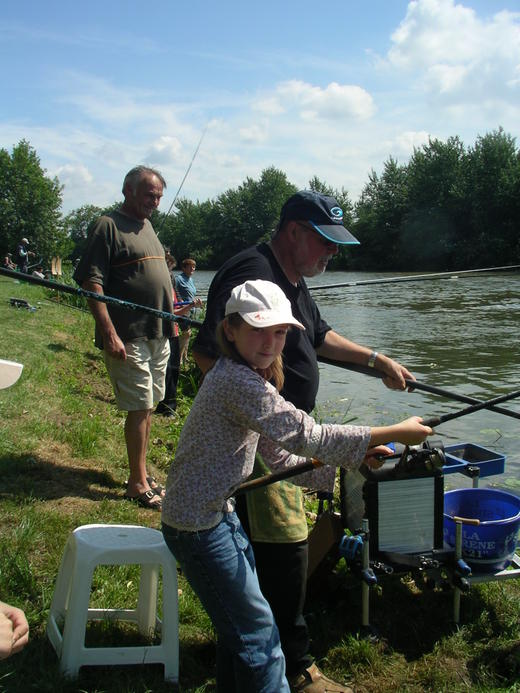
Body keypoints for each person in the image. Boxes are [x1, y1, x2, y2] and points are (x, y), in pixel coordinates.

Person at [192, 190, 416, 692]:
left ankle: (252, 642)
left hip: (288, 439)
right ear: (293, 230)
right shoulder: (254, 274)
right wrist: (254, 432)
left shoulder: (292, 280)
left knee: (282, 551)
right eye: (325, 242)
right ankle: (295, 667)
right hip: (267, 440)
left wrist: (375, 361)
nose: (332, 254)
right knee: (284, 555)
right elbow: (210, 354)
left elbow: (317, 337)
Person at [74, 165, 174, 511]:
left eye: (159, 196)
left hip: (158, 332)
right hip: (129, 334)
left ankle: (142, 474)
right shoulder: (107, 226)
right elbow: (91, 281)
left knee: (150, 404)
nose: (156, 202)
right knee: (140, 406)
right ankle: (136, 483)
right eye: (150, 195)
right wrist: (109, 332)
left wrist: (172, 318)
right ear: (127, 190)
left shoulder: (147, 226)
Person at [155, 251, 195, 417]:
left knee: (172, 368)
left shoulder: (171, 283)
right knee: (166, 368)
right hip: (162, 332)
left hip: (172, 330)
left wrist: (190, 306)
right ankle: (164, 405)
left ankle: (167, 406)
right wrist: (189, 307)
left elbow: (175, 309)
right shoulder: (167, 282)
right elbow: (172, 310)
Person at [175, 258, 198, 366]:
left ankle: (185, 357)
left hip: (192, 309)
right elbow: (174, 291)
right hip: (183, 310)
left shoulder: (191, 279)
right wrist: (180, 301)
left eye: (194, 266)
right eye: (190, 266)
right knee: (186, 333)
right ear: (184, 268)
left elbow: (191, 294)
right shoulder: (178, 279)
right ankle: (178, 359)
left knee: (188, 334)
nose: (193, 269)